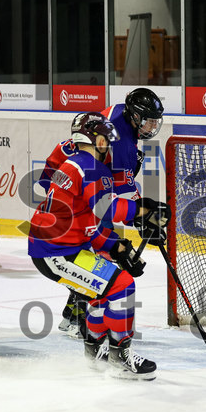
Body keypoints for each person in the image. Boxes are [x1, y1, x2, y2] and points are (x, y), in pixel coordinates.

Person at [28, 112, 168, 379]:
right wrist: (142, 209)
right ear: (98, 140)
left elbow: (87, 223)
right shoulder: (90, 167)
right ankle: (120, 356)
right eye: (106, 140)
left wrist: (115, 246)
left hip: (58, 249)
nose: (109, 146)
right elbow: (107, 208)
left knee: (102, 294)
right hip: (58, 253)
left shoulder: (74, 164)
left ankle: (95, 352)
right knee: (123, 286)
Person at [42, 89, 165, 338]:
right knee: (97, 253)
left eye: (155, 120)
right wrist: (144, 218)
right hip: (71, 184)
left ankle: (74, 315)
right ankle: (86, 320)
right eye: (149, 120)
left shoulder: (120, 113)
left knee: (95, 250)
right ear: (135, 116)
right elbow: (124, 192)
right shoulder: (122, 144)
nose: (153, 126)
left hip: (66, 177)